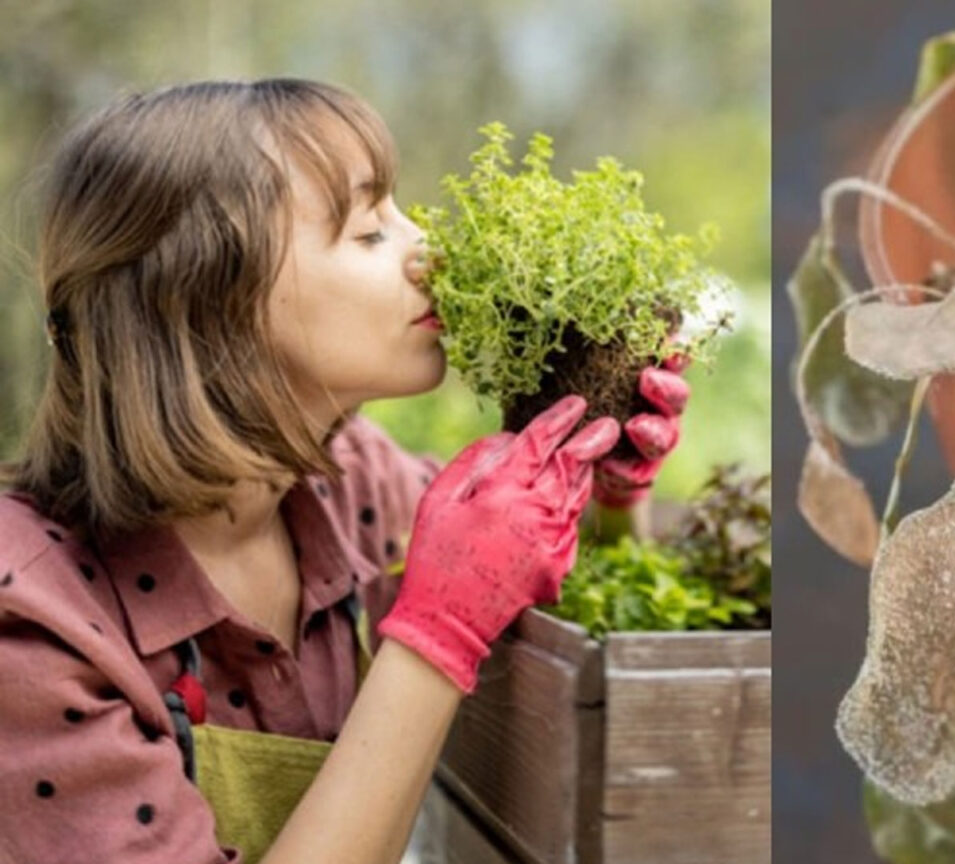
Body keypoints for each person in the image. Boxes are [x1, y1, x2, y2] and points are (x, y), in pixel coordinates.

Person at [0, 79, 689, 864]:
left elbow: (533, 583)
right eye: (368, 233)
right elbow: (458, 609)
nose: (428, 251)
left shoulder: (346, 481)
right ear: (207, 302)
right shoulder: (30, 628)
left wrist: (603, 494)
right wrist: (438, 633)